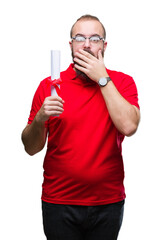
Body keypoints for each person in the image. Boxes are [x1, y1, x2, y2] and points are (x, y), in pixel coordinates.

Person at [21, 14, 140, 240]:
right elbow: (30, 147)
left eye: (95, 38)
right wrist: (40, 118)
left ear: (104, 46)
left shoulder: (122, 82)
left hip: (108, 202)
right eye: (80, 38)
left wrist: (102, 78)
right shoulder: (49, 86)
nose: (86, 44)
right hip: (59, 202)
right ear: (71, 44)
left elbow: (129, 126)